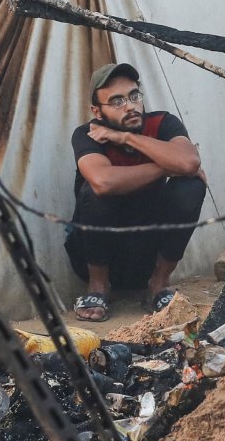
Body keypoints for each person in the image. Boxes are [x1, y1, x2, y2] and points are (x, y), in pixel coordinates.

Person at [65, 62, 207, 322]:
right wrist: (164, 167)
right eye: (117, 101)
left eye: (133, 96)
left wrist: (127, 138)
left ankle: (159, 284)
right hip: (97, 255)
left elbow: (189, 163)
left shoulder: (163, 123)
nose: (130, 106)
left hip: (147, 254)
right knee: (95, 194)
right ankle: (98, 287)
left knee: (191, 185)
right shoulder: (88, 134)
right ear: (96, 111)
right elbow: (103, 182)